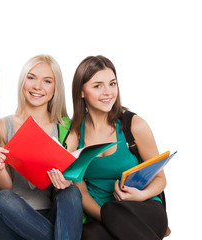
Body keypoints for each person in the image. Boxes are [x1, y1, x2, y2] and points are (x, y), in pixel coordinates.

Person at [70, 55, 168, 239]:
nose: (108, 92)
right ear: (81, 91)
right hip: (103, 215)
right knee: (88, 234)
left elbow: (161, 179)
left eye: (112, 84)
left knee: (113, 211)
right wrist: (109, 220)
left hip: (144, 208)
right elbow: (80, 191)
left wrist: (140, 196)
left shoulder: (134, 125)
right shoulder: (75, 135)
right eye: (97, 85)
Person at [0, 54, 83, 240]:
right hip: (12, 216)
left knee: (71, 191)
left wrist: (66, 182)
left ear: (55, 89)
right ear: (22, 81)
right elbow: (5, 187)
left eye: (47, 81)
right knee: (2, 198)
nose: (37, 87)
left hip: (53, 216)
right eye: (31, 78)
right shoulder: (1, 126)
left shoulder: (66, 129)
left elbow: (71, 187)